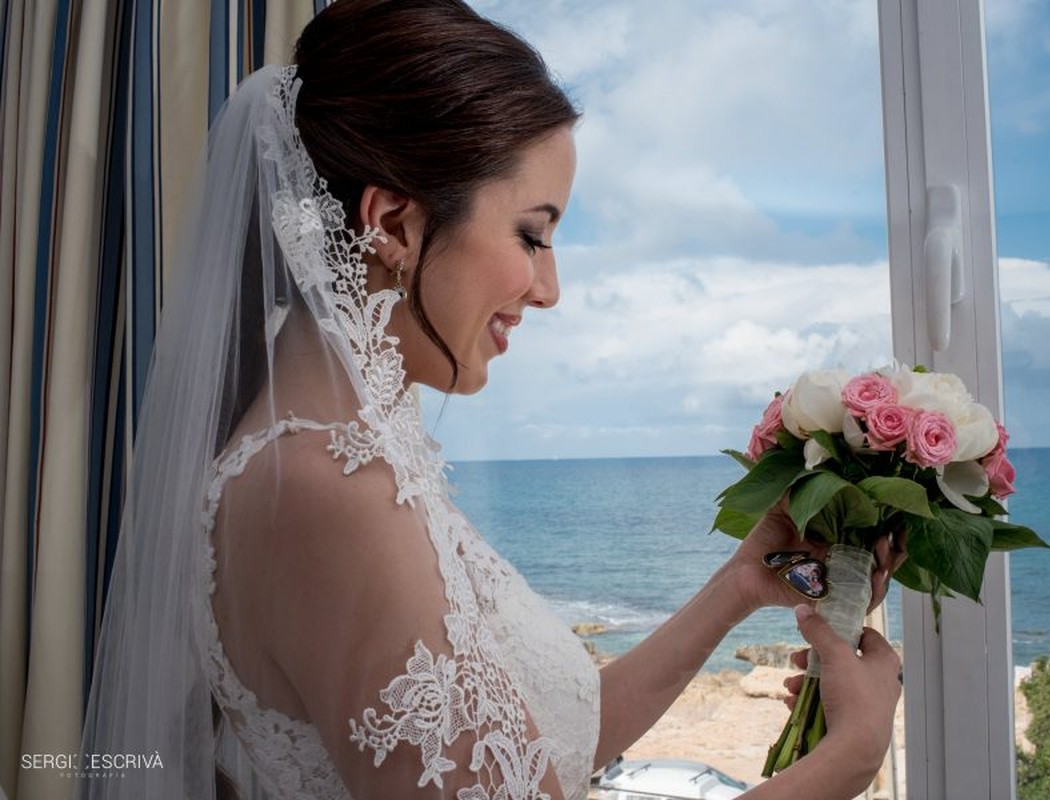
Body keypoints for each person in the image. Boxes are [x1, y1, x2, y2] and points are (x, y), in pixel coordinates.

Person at [78, 1, 905, 798]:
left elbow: (527, 762)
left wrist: (737, 587)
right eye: (532, 234)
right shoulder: (330, 487)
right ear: (393, 225)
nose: (549, 287)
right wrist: (847, 760)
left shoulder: (346, 451)